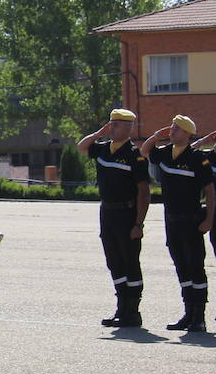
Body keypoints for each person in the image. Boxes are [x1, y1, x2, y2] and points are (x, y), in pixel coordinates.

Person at [140, 115, 214, 332]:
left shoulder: (197, 158)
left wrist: (209, 219)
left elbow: (210, 192)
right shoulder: (164, 153)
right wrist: (155, 136)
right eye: (172, 127)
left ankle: (199, 317)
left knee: (196, 269)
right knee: (182, 268)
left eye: (178, 129)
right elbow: (145, 151)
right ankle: (188, 313)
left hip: (192, 221)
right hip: (172, 222)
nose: (172, 131)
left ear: (188, 134)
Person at [77, 109, 149, 328]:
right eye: (111, 124)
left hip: (127, 214)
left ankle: (132, 311)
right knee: (114, 261)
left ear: (127, 128)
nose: (112, 128)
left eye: (116, 125)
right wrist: (99, 133)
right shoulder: (102, 149)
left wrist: (138, 223)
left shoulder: (134, 154)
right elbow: (81, 147)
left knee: (130, 262)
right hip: (107, 213)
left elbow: (144, 192)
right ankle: (121, 308)